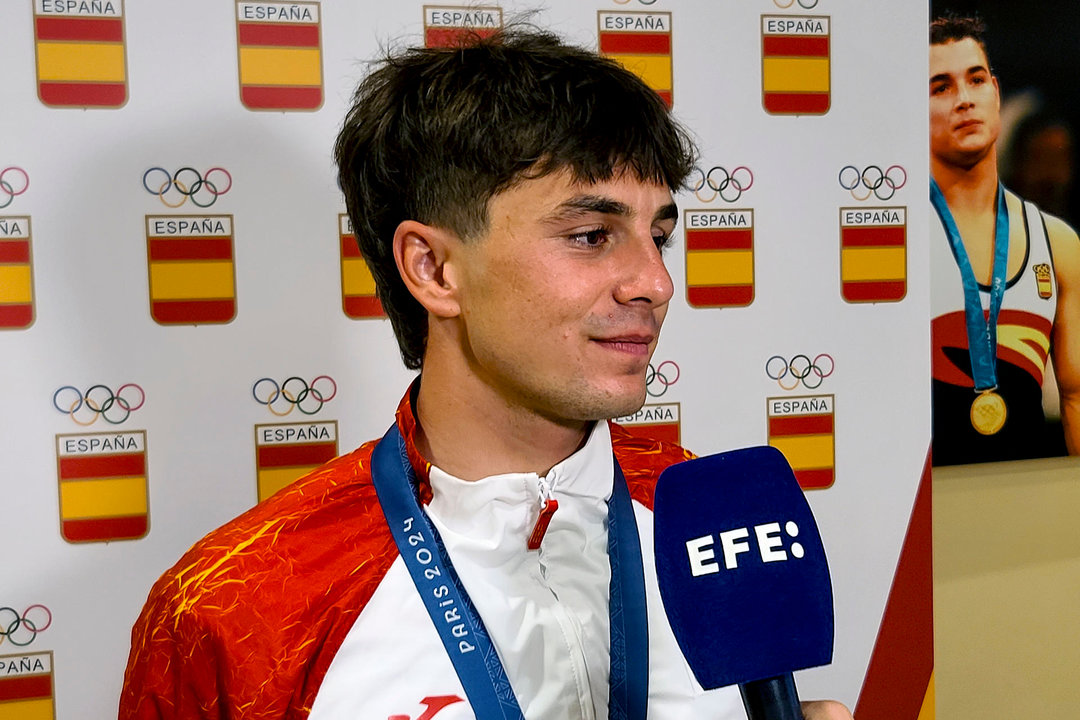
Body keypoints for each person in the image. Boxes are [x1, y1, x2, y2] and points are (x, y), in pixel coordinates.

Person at [119, 29, 851, 719]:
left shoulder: (716, 520)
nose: (654, 283)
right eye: (592, 236)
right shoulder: (237, 604)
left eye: (658, 236)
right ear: (434, 269)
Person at [929, 14, 1080, 465]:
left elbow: (1075, 398)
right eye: (941, 87)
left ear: (996, 92)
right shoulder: (898, 248)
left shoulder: (1058, 244)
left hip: (1026, 507)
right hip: (931, 515)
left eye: (975, 81)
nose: (964, 100)